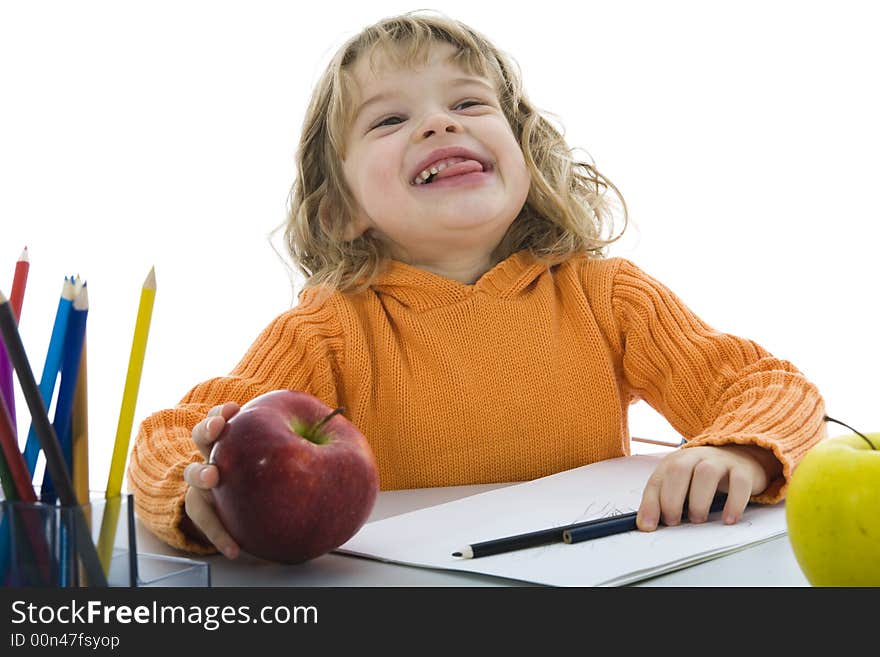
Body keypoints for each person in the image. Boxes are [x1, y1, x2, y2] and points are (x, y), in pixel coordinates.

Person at [127, 10, 826, 560]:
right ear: (340, 210)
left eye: (469, 102)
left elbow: (770, 387)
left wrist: (736, 448)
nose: (440, 121)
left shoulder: (608, 297)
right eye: (392, 119)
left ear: (526, 155)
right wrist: (195, 489)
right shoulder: (326, 331)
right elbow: (166, 437)